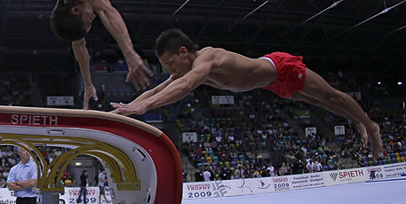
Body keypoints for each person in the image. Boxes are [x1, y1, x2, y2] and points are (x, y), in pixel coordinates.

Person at [111, 29, 385, 157]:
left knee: (330, 96)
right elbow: (158, 87)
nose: (171, 69)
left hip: (281, 67)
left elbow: (185, 86)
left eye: (171, 63)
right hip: (271, 84)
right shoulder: (185, 68)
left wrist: (145, 108)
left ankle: (370, 126)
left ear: (184, 52)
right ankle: (358, 120)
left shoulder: (207, 59)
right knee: (318, 101)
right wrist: (125, 109)